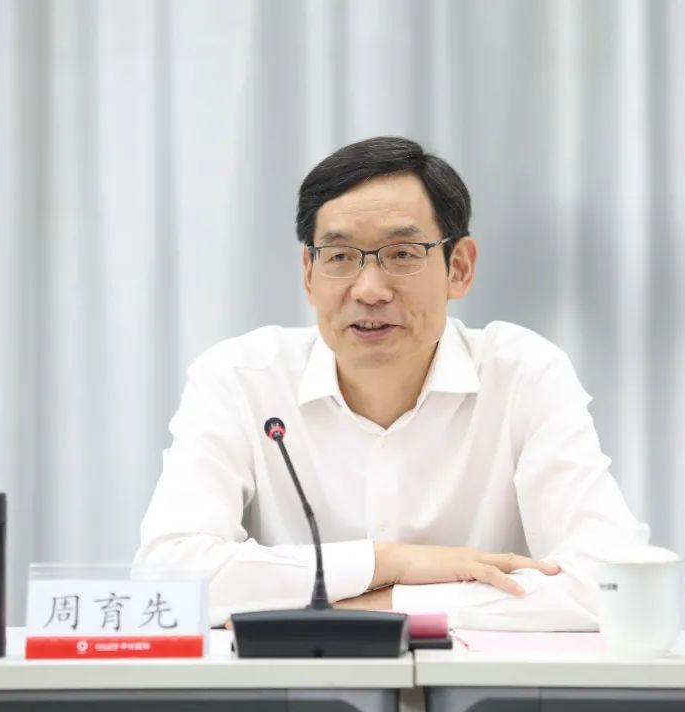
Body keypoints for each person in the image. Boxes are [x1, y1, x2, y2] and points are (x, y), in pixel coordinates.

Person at [134, 136, 644, 629]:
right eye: (340, 257)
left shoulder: (523, 377)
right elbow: (167, 576)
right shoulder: (240, 380)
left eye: (402, 254)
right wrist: (393, 562)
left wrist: (384, 603)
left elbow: (613, 584)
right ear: (309, 273)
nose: (370, 290)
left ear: (459, 267)